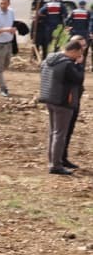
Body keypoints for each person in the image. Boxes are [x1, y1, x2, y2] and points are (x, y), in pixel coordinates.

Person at [39, 37, 86, 175]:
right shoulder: (68, 64)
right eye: (79, 52)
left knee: (53, 132)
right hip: (63, 101)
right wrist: (79, 65)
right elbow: (78, 79)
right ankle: (56, 165)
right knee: (60, 134)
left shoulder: (49, 59)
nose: (80, 56)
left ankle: (52, 161)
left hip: (49, 98)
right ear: (74, 51)